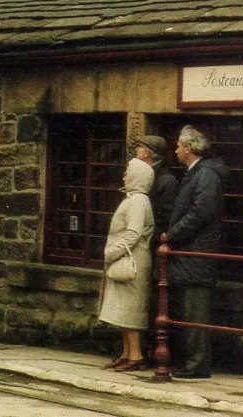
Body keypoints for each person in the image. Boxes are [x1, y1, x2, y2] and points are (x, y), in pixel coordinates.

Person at [166, 125, 228, 379]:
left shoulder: (205, 175)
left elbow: (200, 213)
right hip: (189, 256)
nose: (176, 150)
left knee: (195, 313)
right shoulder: (196, 174)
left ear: (189, 148)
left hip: (197, 256)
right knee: (188, 312)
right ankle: (191, 361)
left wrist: (171, 235)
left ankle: (197, 365)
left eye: (179, 146)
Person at [98, 157, 155, 372]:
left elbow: (133, 233)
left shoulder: (139, 201)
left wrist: (112, 252)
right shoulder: (133, 199)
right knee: (122, 310)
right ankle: (126, 353)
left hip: (133, 260)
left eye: (128, 172)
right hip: (126, 259)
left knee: (130, 310)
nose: (124, 176)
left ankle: (136, 355)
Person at [134, 135, 179, 361]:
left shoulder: (165, 179)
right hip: (146, 245)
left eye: (139, 148)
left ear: (148, 153)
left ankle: (153, 351)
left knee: (154, 299)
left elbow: (165, 217)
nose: (136, 152)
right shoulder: (148, 176)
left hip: (153, 247)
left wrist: (152, 239)